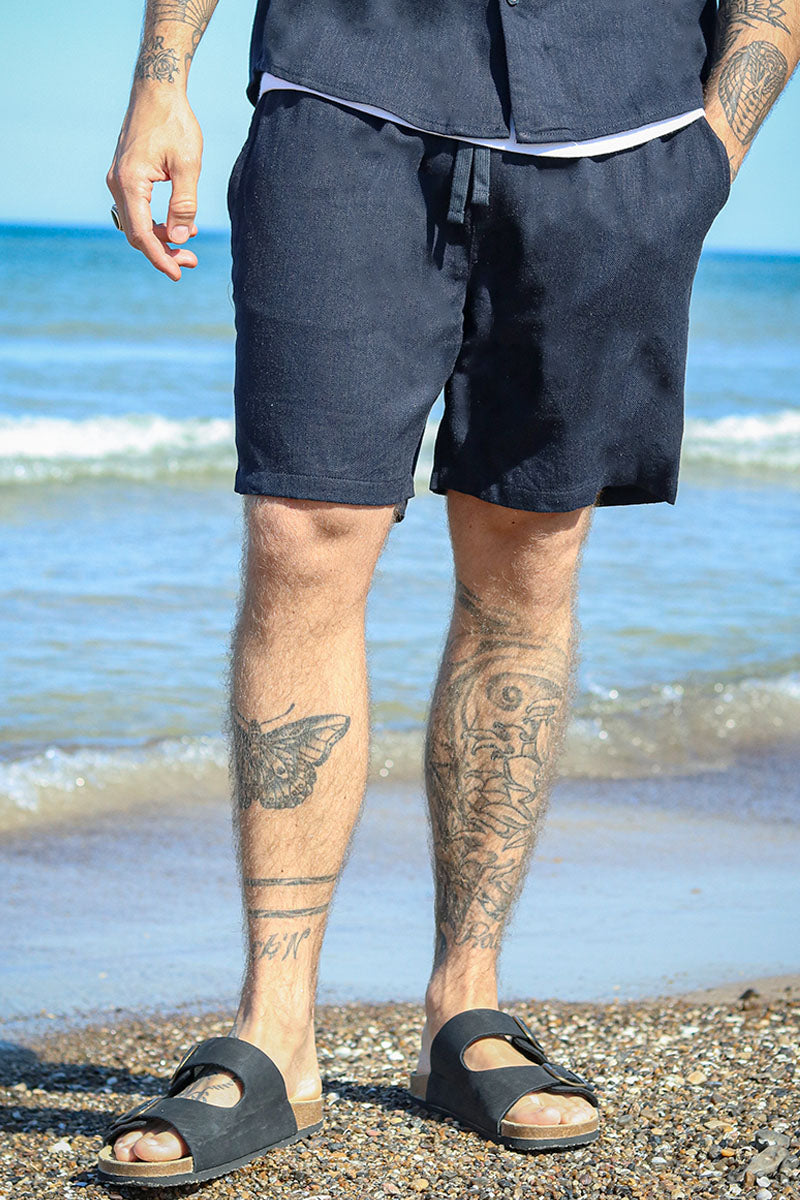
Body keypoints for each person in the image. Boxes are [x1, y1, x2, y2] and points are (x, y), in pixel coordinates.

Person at [100, 0, 799, 1186]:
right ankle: (275, 1029)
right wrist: (161, 77)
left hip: (618, 128)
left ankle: (463, 1009)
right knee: (303, 536)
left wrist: (713, 146)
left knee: (527, 558)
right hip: (345, 90)